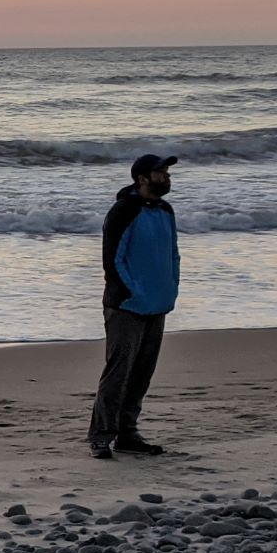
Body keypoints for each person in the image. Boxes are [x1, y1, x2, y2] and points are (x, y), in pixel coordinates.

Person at [89, 152, 180, 460]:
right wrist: (133, 292)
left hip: (158, 304)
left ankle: (127, 434)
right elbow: (112, 261)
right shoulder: (123, 211)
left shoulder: (165, 210)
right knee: (118, 373)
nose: (166, 177)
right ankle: (101, 436)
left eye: (167, 172)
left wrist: (171, 288)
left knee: (142, 374)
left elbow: (173, 254)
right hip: (126, 306)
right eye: (160, 173)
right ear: (142, 178)